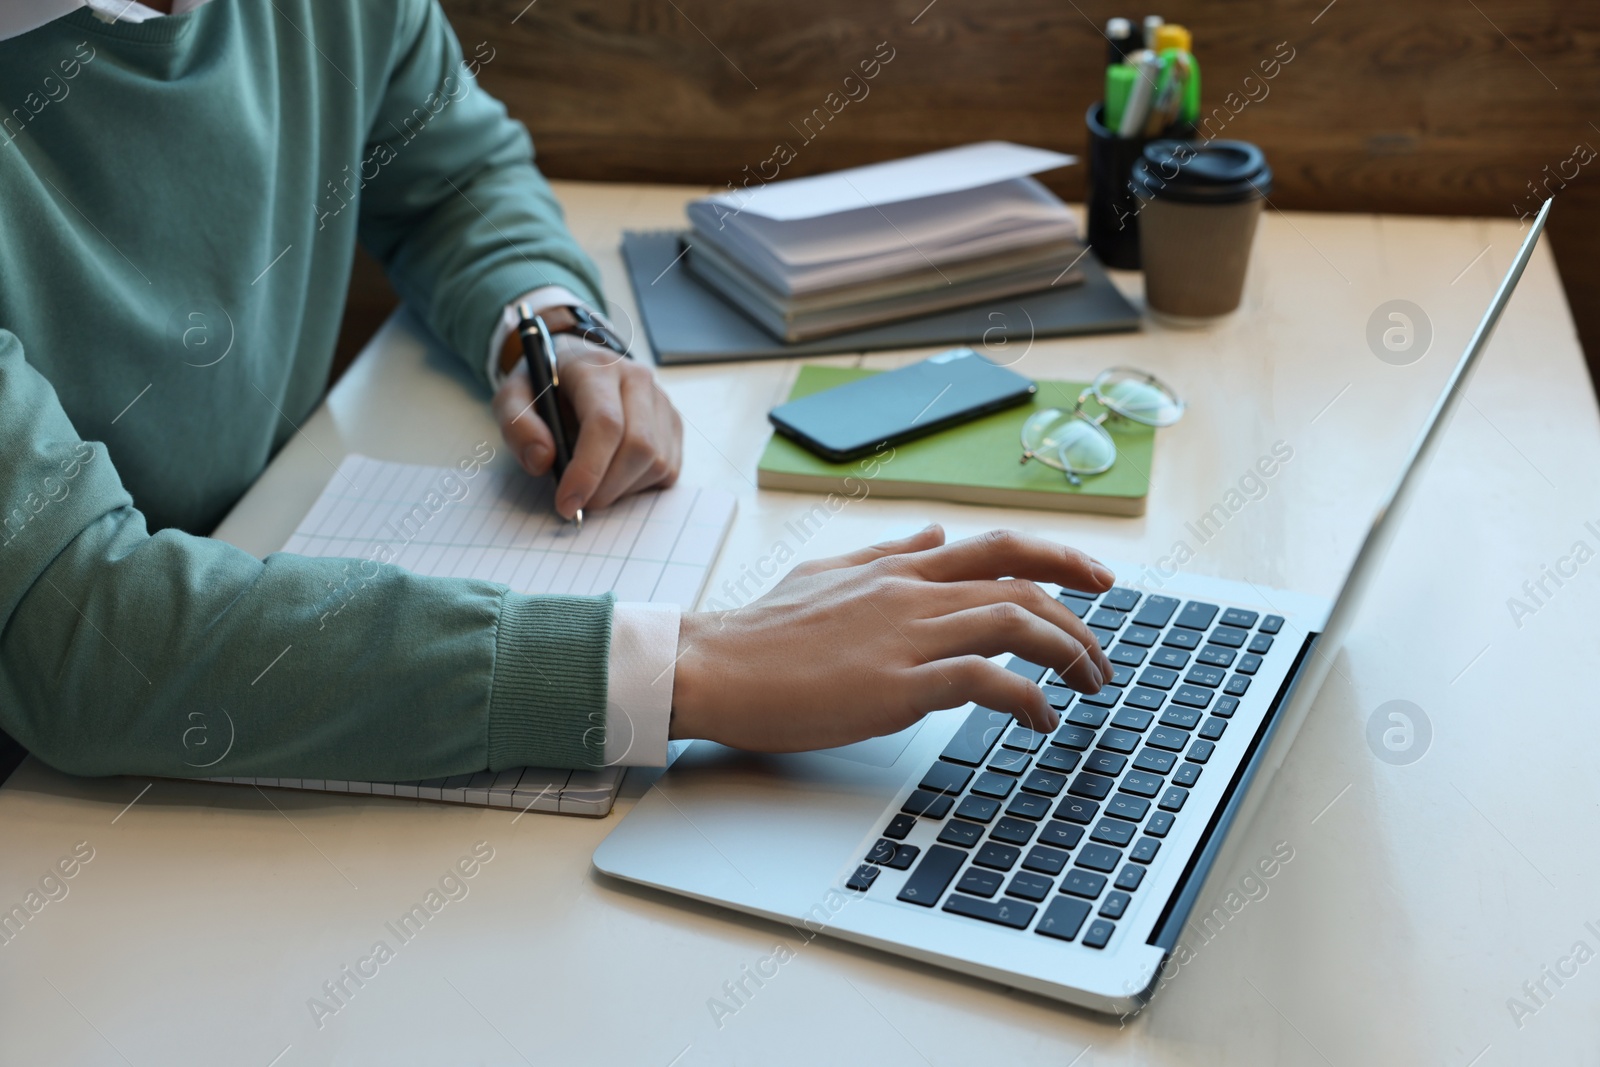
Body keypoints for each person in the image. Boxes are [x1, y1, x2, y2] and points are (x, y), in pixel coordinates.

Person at [0, 0, 1113, 784]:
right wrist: (686, 664)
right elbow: (77, 629)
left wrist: (552, 327)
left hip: (252, 593)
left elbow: (448, 174)